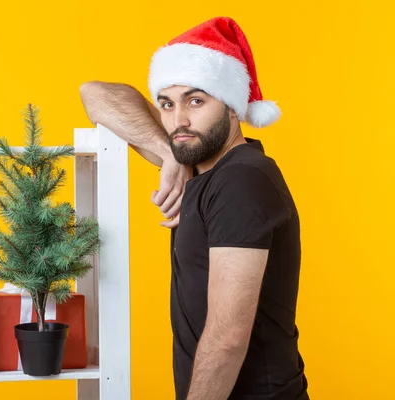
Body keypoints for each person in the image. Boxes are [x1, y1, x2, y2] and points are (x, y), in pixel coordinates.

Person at [79, 16, 309, 400]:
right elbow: (95, 94)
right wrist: (169, 153)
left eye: (196, 100)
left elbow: (227, 336)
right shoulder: (200, 163)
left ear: (234, 107)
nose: (178, 119)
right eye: (167, 103)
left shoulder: (242, 180)